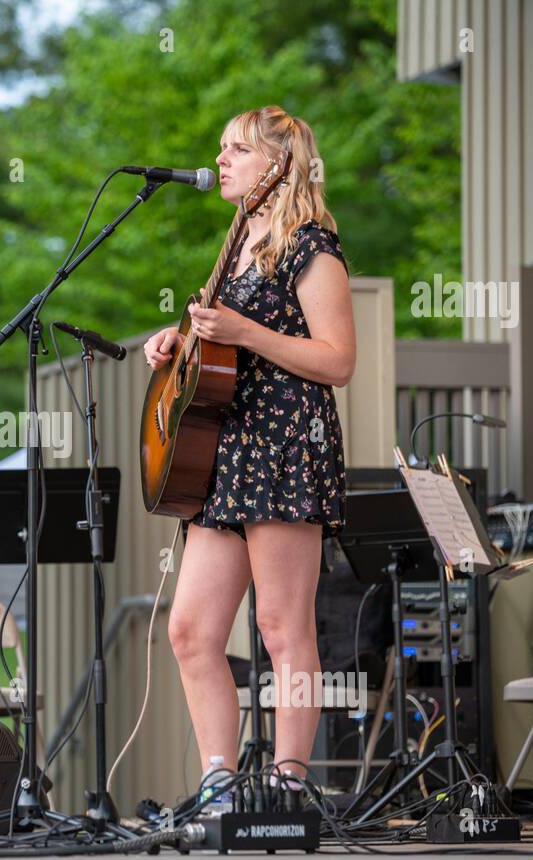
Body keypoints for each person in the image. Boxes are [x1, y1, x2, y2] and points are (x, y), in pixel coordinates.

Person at [142, 105, 355, 795]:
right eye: (222, 148)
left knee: (280, 625)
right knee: (191, 630)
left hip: (286, 445)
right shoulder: (236, 245)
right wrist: (176, 343)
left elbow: (338, 360)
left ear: (279, 164)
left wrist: (245, 332)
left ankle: (290, 785)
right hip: (226, 453)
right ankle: (219, 785)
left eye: (236, 149)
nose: (222, 160)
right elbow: (224, 343)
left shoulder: (311, 246)